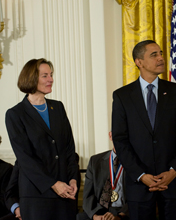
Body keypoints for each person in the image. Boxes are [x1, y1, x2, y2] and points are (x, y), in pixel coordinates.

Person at [112, 40, 176, 220]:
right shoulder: (122, 96)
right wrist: (141, 175)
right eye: (154, 55)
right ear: (138, 62)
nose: (161, 58)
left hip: (172, 183)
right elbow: (120, 140)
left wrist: (173, 171)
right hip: (139, 186)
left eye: (161, 53)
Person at [5, 58, 79, 220]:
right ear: (31, 78)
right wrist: (53, 184)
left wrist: (73, 179)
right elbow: (25, 158)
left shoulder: (58, 107)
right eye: (45, 75)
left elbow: (69, 149)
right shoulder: (15, 114)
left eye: (51, 75)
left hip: (65, 194)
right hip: (36, 196)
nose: (50, 79)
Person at [77, 132, 129, 220]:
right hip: (100, 210)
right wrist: (95, 216)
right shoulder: (95, 161)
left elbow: (139, 195)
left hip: (124, 211)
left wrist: (120, 216)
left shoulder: (136, 162)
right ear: (110, 135)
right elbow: (88, 195)